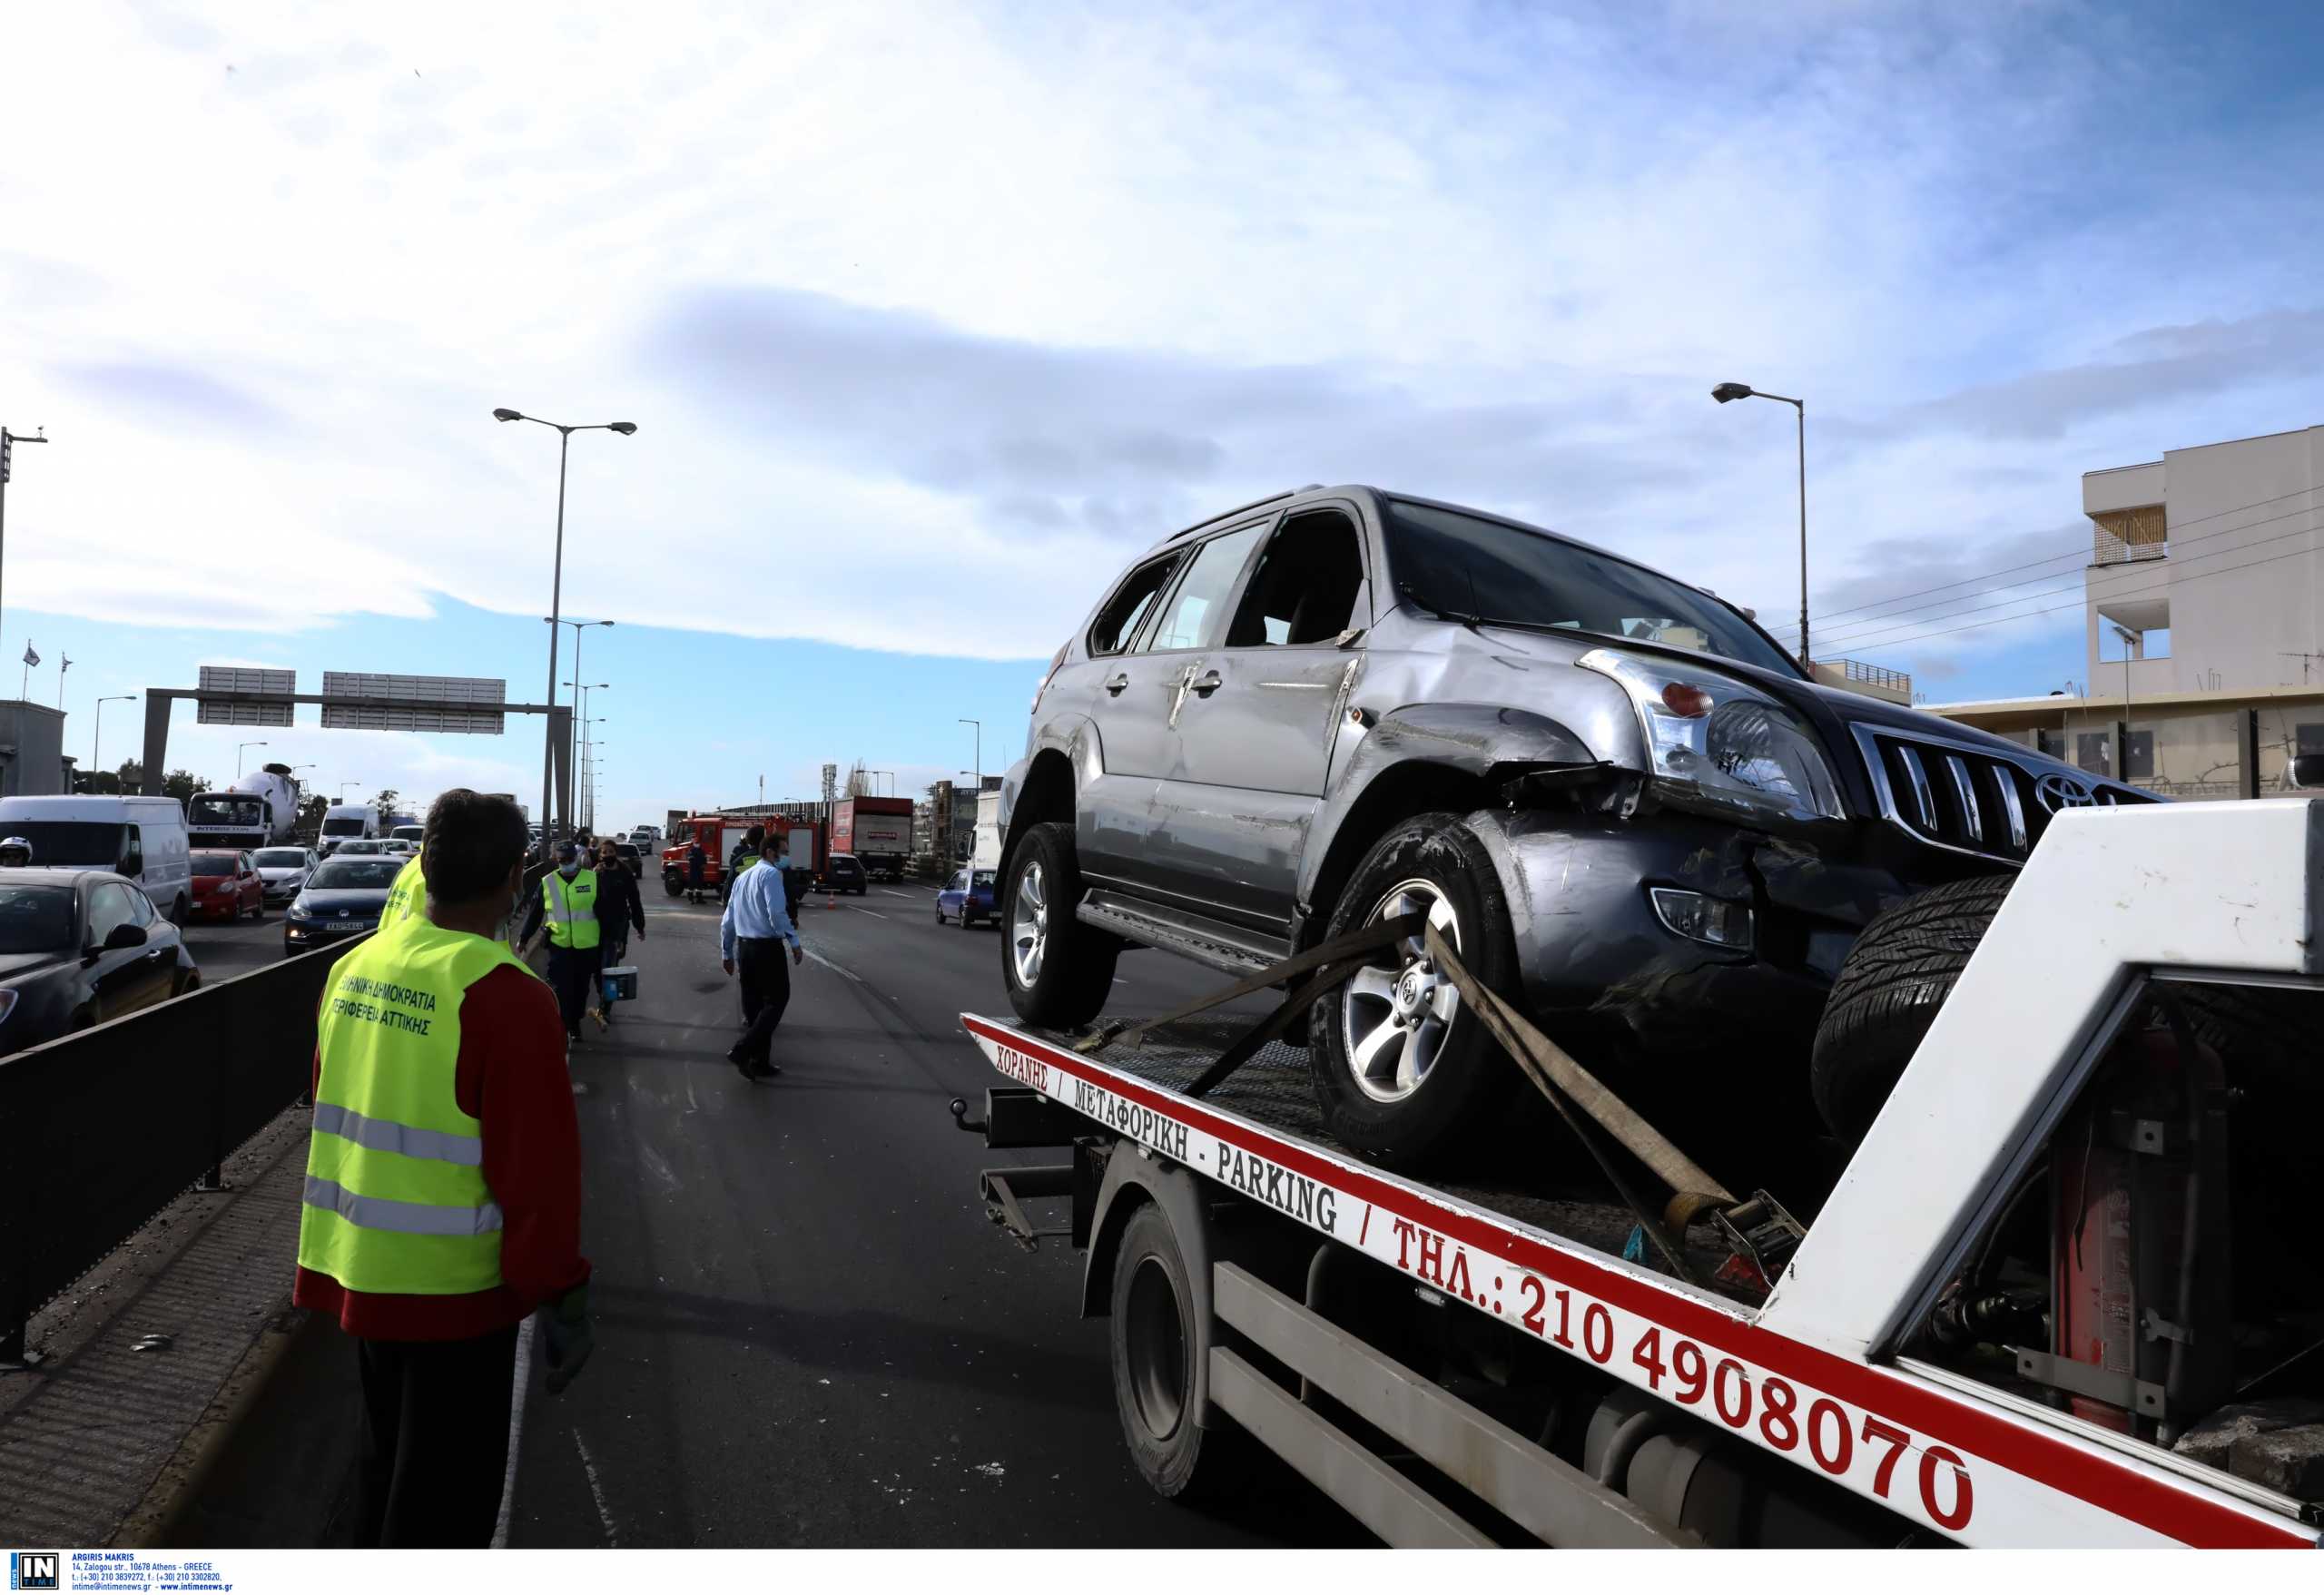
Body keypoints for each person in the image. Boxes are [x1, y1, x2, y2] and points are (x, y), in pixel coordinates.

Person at [293, 789, 591, 1549]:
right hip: (455, 1296)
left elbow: (334, 1094)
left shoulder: (354, 967)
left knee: (381, 1469)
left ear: (423, 864)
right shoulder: (508, 997)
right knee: (444, 1508)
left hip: (360, 1270)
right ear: (515, 879)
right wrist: (557, 1291)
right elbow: (539, 1176)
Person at [719, 832, 803, 1080]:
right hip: (767, 948)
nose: (786, 857)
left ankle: (760, 1062)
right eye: (783, 852)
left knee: (755, 1007)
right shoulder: (771, 875)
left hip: (745, 949)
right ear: (769, 852)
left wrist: (726, 952)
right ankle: (743, 1050)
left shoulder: (742, 878)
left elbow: (728, 919)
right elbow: (777, 912)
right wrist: (794, 941)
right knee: (777, 999)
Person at [517, 842, 601, 1044]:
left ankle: (575, 1022)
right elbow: (536, 913)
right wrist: (524, 937)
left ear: (576, 858)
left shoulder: (591, 879)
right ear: (556, 860)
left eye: (569, 860)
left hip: (586, 945)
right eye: (562, 860)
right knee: (561, 989)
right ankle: (563, 1027)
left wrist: (614, 938)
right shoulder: (548, 882)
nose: (566, 863)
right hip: (559, 945)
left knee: (581, 989)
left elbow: (604, 911)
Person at [592, 838, 645, 1023]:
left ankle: (605, 1008)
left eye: (610, 852)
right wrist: (593, 876)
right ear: (600, 856)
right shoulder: (595, 874)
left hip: (616, 929)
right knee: (596, 971)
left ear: (616, 853)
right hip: (594, 928)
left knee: (609, 968)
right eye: (604, 853)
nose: (607, 855)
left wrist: (640, 926)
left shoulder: (625, 874)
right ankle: (602, 996)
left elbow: (635, 901)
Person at [684, 839, 706, 903]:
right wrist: (699, 864)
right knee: (692, 884)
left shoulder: (701, 851)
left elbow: (704, 859)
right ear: (694, 844)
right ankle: (690, 898)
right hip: (693, 870)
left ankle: (699, 899)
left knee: (700, 884)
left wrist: (704, 864)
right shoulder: (691, 851)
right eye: (696, 843)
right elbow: (691, 859)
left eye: (698, 843)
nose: (697, 844)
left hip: (700, 870)